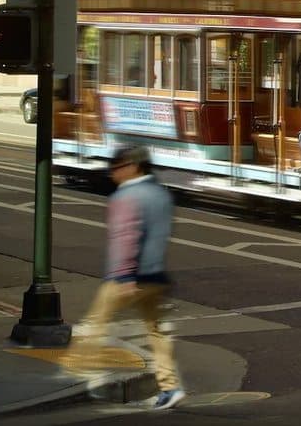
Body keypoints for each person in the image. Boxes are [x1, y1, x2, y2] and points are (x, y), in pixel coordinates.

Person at [73, 145, 186, 411]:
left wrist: (124, 276)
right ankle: (170, 386)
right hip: (157, 276)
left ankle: (79, 376)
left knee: (94, 323)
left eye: (117, 167)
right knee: (157, 332)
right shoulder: (161, 194)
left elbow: (126, 238)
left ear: (132, 167)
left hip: (129, 277)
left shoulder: (125, 197)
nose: (113, 173)